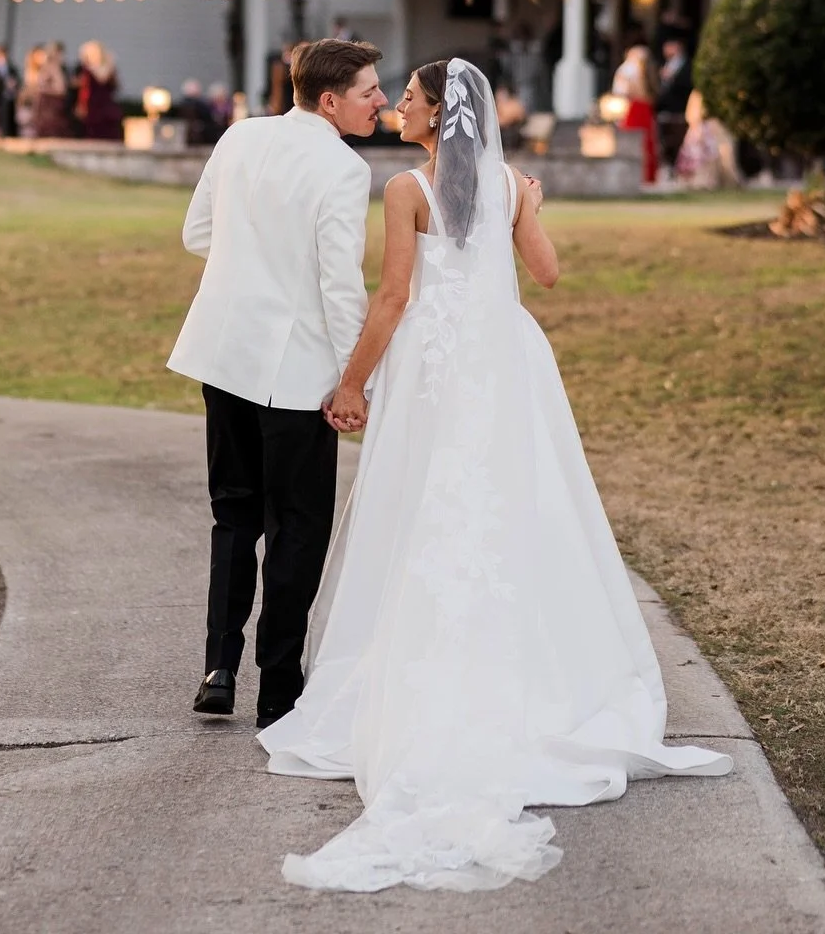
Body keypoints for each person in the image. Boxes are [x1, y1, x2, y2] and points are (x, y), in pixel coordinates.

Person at [260, 59, 732, 893]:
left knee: (423, 509)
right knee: (517, 505)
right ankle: (537, 676)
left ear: (439, 114)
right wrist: (533, 207)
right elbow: (544, 276)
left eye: (407, 97)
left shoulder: (406, 189)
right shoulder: (512, 184)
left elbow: (395, 297)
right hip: (505, 363)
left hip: (438, 368)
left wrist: (352, 382)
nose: (397, 106)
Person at [168, 38, 387, 728]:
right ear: (330, 101)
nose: (380, 101)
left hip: (223, 354)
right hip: (295, 375)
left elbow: (197, 233)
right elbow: (340, 286)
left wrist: (253, 258)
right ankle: (280, 690)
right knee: (297, 528)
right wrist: (356, 378)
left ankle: (219, 667)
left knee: (233, 515)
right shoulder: (345, 170)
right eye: (369, 92)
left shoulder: (239, 137)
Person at [612, 42, 659, 184]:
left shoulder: (636, 70)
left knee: (644, 141)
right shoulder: (633, 70)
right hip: (637, 108)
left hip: (638, 108)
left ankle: (645, 175)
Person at [654, 35, 694, 173]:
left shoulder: (687, 65)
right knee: (666, 139)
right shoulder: (666, 63)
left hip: (679, 108)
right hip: (666, 108)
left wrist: (672, 78)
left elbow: (688, 84)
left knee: (678, 139)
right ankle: (670, 165)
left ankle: (677, 167)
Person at [74, 41, 122, 141]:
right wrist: (81, 104)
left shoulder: (108, 68)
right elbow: (83, 90)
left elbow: (104, 80)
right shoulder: (85, 70)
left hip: (105, 104)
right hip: (92, 106)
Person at [31, 42, 72, 139]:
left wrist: (44, 89)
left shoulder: (55, 67)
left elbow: (60, 88)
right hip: (47, 105)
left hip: (52, 106)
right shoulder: (50, 67)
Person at [0, 42, 18, 139]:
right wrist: (5, 84)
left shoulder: (11, 68)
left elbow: (17, 79)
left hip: (10, 95)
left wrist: (13, 83)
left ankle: (11, 132)